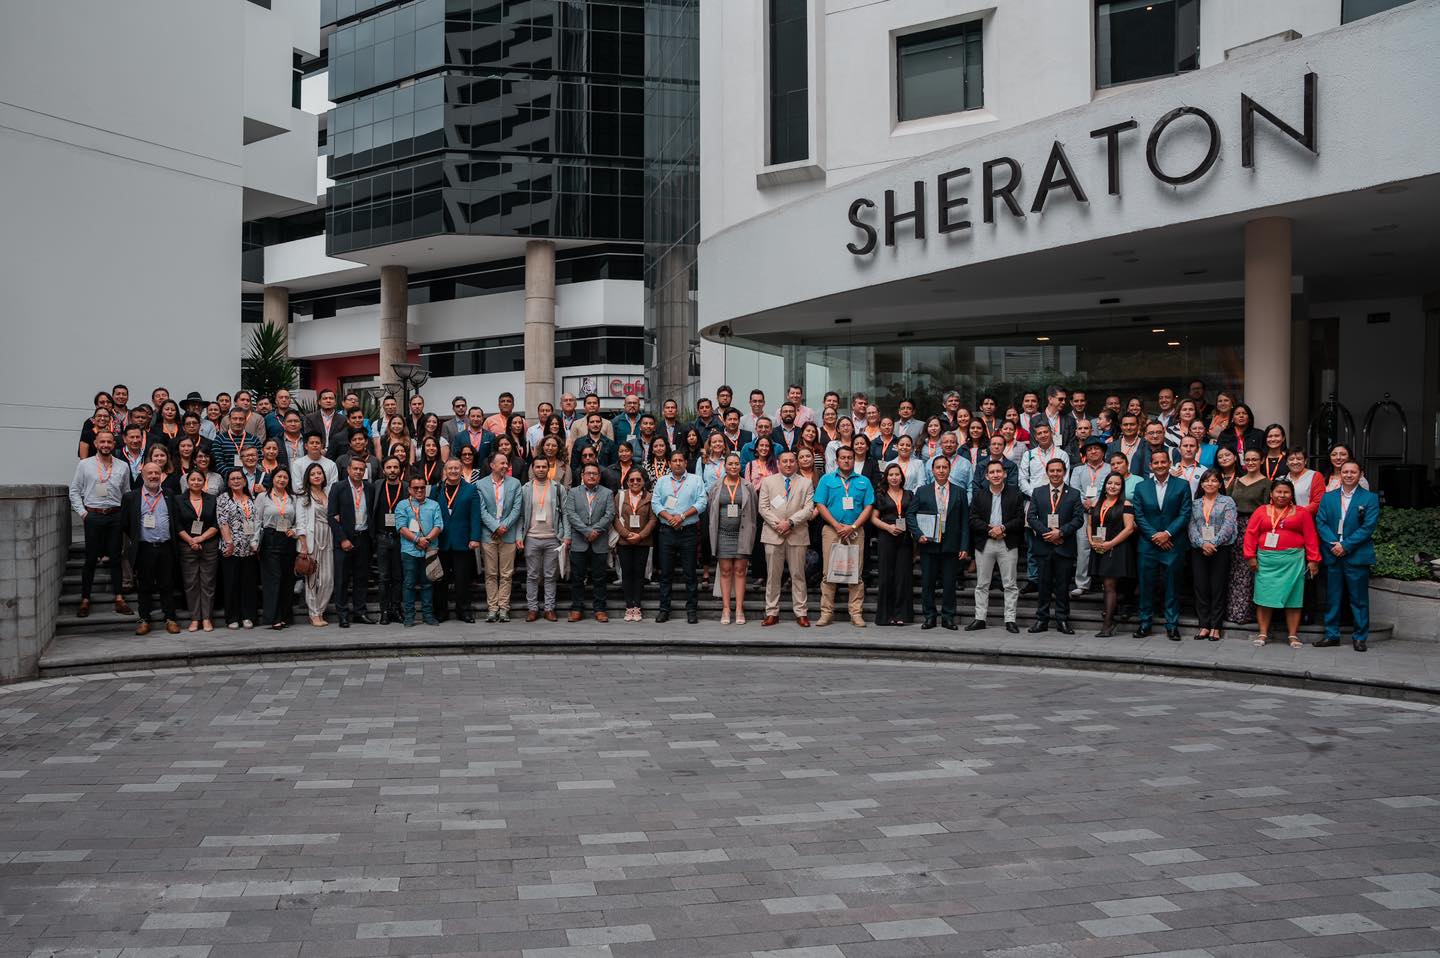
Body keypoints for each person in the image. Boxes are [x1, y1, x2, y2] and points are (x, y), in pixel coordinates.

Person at [1244, 478, 1320, 648]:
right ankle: (1263, 633)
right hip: (1266, 561)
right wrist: (1250, 556)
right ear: (1271, 494)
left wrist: (1313, 560)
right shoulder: (1261, 511)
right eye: (1278, 491)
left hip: (1293, 562)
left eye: (1286, 492)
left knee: (1294, 599)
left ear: (1291, 494)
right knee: (1264, 597)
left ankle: (1293, 635)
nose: (1282, 495)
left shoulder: (1302, 512)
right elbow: (1250, 534)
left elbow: (1311, 537)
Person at [1314, 461, 1380, 652]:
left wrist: (1346, 545)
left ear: (1361, 474)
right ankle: (1331, 635)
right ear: (1339, 474)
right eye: (1345, 472)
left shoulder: (1369, 498)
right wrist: (1334, 544)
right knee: (1332, 597)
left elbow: (1368, 527)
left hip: (1356, 555)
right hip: (1333, 553)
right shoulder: (1328, 497)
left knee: (1359, 599)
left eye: (1353, 472)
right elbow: (1321, 522)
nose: (1349, 475)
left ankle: (1360, 637)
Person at [70, 428, 135, 619]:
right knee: (90, 560)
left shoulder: (122, 466)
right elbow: (74, 491)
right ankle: (85, 600)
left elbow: (127, 493)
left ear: (114, 444)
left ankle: (119, 598)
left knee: (116, 559)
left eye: (109, 442)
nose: (106, 445)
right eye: (102, 442)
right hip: (93, 516)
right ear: (96, 444)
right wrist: (83, 514)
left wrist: (123, 516)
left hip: (115, 516)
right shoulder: (85, 465)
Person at [1130, 450, 1192, 640]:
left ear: (1169, 463)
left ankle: (1172, 625)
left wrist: (1166, 534)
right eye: (1155, 463)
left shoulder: (1182, 485)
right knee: (1146, 585)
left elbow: (1185, 513)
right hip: (1147, 546)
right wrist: (1154, 536)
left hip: (1173, 544)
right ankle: (1144, 623)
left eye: (1163, 462)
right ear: (1151, 466)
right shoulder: (1141, 487)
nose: (1159, 466)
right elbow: (1138, 515)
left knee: (1172, 587)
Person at [814, 445, 875, 628]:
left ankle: (856, 613)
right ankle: (826, 613)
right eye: (843, 458)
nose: (847, 460)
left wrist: (853, 526)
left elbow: (869, 507)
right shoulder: (826, 479)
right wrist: (836, 525)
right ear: (837, 460)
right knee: (828, 573)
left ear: (853, 459)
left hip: (855, 531)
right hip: (832, 531)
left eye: (850, 457)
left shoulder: (863, 481)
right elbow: (820, 505)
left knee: (855, 573)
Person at [120, 462, 181, 636]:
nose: (153, 476)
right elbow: (125, 524)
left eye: (157, 473)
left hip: (166, 548)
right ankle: (144, 619)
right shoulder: (131, 497)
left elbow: (175, 520)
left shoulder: (169, 494)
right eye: (150, 473)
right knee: (144, 586)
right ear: (143, 476)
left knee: (167, 585)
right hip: (144, 548)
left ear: (161, 475)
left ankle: (170, 618)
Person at [758, 450, 814, 627]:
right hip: (773, 535)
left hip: (797, 534)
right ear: (778, 463)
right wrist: (779, 524)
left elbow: (808, 508)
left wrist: (789, 522)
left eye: (791, 461)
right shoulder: (768, 481)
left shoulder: (806, 483)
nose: (788, 464)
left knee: (798, 575)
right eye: (785, 461)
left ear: (796, 463)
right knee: (773, 576)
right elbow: (763, 508)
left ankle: (801, 612)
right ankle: (772, 612)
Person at [1026, 459, 1083, 634]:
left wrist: (1061, 533)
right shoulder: (1038, 492)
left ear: (1064, 472)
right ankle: (1041, 620)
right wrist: (1048, 534)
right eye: (1052, 471)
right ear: (1047, 472)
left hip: (1064, 547)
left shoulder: (1073, 494)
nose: (1055, 474)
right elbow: (1031, 517)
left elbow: (1078, 519)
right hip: (1043, 547)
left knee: (1062, 586)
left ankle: (1062, 620)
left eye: (1059, 470)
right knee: (1043, 586)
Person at [967, 460, 1024, 633]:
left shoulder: (1015, 494)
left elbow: (1020, 520)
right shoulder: (979, 495)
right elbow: (973, 519)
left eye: (999, 471)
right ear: (986, 476)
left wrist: (1003, 528)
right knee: (982, 584)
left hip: (1007, 543)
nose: (996, 475)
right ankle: (980, 618)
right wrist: (989, 530)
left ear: (1005, 474)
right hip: (985, 543)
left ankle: (1010, 620)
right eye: (992, 472)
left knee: (1010, 584)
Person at [653, 450, 708, 624]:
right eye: (674, 460)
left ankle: (692, 610)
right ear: (669, 463)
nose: (677, 463)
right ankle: (664, 609)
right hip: (667, 531)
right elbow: (655, 503)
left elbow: (702, 502)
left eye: (680, 460)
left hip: (688, 532)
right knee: (666, 573)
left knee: (690, 573)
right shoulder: (662, 482)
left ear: (685, 463)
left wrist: (682, 516)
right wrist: (670, 518)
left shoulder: (696, 480)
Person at [429, 459, 481, 623]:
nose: (453, 471)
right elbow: (430, 514)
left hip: (463, 542)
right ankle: (441, 612)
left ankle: (464, 610)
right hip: (441, 542)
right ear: (445, 470)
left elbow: (475, 516)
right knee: (440, 581)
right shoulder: (436, 490)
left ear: (461, 470)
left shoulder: (471, 490)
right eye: (450, 468)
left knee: (462, 580)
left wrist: (474, 538)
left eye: (456, 468)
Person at [706, 453, 756, 624]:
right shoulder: (716, 486)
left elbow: (753, 512)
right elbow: (710, 511)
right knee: (726, 571)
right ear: (725, 466)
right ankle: (726, 609)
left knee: (741, 571)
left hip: (742, 534)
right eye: (730, 464)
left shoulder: (748, 486)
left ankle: (740, 609)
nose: (733, 467)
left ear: (740, 466)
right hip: (722, 534)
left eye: (736, 464)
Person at [1189, 469, 1238, 642]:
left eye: (1214, 480)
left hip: (1220, 549)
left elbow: (1229, 525)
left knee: (1217, 587)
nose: (1210, 484)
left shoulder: (1227, 501)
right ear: (1201, 484)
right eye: (1206, 481)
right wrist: (1203, 543)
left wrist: (1213, 543)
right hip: (1199, 549)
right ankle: (1203, 625)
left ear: (1219, 483)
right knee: (1201, 587)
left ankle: (1216, 627)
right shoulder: (1195, 503)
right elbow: (1192, 526)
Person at [327, 457, 376, 628]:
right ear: (348, 469)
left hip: (363, 538)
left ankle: (360, 612)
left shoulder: (369, 488)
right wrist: (343, 539)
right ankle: (342, 615)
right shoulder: (338, 487)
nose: (358, 472)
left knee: (361, 578)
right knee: (342, 579)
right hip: (344, 541)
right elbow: (332, 516)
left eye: (361, 469)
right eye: (355, 469)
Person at [518, 456, 568, 622]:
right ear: (532, 469)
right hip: (531, 537)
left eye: (543, 467)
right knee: (532, 575)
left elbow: (565, 514)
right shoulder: (525, 488)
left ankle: (549, 608)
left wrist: (566, 535)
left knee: (550, 575)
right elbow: (521, 515)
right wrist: (519, 536)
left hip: (552, 537)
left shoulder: (557, 488)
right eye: (537, 467)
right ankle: (532, 608)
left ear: (548, 468)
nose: (540, 469)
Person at [1086, 473, 1137, 637]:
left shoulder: (1126, 504)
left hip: (1117, 549)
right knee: (1106, 585)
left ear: (1122, 487)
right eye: (1110, 483)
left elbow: (1129, 528)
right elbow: (1089, 524)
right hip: (1099, 547)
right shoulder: (1096, 503)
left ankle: (1107, 624)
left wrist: (1110, 544)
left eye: (1117, 484)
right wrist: (1091, 541)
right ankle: (1110, 617)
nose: (1113, 486)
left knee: (1109, 586)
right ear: (1105, 485)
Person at [476, 450, 523, 623]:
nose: (505, 466)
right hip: (488, 535)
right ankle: (492, 608)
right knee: (490, 573)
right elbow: (481, 510)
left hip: (508, 534)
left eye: (506, 463)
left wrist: (504, 526)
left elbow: (517, 509)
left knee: (506, 574)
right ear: (492, 465)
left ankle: (504, 608)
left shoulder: (515, 484)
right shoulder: (480, 485)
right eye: (502, 463)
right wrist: (495, 527)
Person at [565, 463, 616, 622]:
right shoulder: (573, 492)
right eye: (588, 473)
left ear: (599, 476)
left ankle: (600, 609)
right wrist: (587, 531)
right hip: (579, 541)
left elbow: (610, 514)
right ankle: (576, 608)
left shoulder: (607, 493)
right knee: (577, 578)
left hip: (599, 541)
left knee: (600, 578)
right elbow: (571, 514)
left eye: (595, 473)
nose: (592, 476)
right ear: (582, 475)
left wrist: (596, 530)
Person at [1226, 448, 1272, 625]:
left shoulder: (1267, 483)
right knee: (1236, 570)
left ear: (1261, 461)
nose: (1251, 462)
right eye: (1248, 459)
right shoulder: (1237, 481)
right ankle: (1235, 611)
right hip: (1236, 528)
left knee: (1253, 569)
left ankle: (1250, 613)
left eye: (1255, 459)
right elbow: (1228, 503)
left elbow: (1269, 509)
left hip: (1257, 528)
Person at [172, 467, 220, 633]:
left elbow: (216, 524)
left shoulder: (212, 499)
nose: (196, 482)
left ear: (204, 481)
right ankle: (195, 618)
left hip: (209, 545)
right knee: (191, 583)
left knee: (208, 583)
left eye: (199, 479)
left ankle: (206, 618)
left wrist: (200, 538)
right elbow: (176, 524)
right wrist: (191, 540)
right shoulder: (178, 500)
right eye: (192, 479)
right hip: (187, 545)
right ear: (187, 481)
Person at [394, 474, 443, 627]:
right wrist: (417, 540)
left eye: (422, 487)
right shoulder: (402, 505)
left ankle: (428, 616)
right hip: (409, 551)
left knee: (427, 583)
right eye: (416, 488)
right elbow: (401, 528)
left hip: (429, 550)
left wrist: (426, 540)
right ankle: (409, 617)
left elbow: (439, 525)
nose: (420, 490)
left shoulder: (434, 505)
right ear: (409, 489)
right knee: (409, 584)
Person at [862, 463, 908, 627]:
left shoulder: (909, 494)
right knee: (886, 576)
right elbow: (873, 518)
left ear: (902, 477)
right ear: (886, 477)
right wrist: (888, 527)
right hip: (886, 537)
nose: (894, 477)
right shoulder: (880, 495)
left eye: (897, 474)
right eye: (891, 475)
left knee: (901, 577)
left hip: (904, 539)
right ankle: (885, 616)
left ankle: (900, 614)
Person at [252, 466, 298, 629]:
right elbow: (256, 520)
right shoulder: (263, 497)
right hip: (270, 539)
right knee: (273, 578)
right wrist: (254, 541)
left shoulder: (293, 498)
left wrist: (296, 530)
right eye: (279, 477)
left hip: (287, 539)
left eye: (285, 477)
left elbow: (298, 519)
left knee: (287, 579)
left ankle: (285, 615)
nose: (282, 480)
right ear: (273, 478)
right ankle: (273, 617)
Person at [216, 466, 260, 630]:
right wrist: (229, 543)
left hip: (250, 548)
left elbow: (256, 521)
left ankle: (248, 616)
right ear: (228, 482)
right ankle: (232, 617)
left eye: (239, 478)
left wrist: (256, 542)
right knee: (231, 584)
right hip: (231, 548)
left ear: (244, 481)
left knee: (248, 584)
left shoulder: (251, 498)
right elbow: (222, 522)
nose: (236, 481)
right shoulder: (223, 499)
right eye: (232, 478)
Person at [1069, 438, 1110, 598]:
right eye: (1090, 449)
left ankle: (1104, 582)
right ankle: (1082, 584)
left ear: (1103, 451)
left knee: (1103, 547)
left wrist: (1098, 503)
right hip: (1084, 515)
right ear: (1085, 453)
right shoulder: (1078, 470)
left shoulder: (1109, 468)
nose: (1093, 451)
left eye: (1096, 449)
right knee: (1084, 548)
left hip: (1104, 514)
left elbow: (1114, 487)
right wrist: (1084, 502)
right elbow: (1074, 489)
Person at [295, 462, 335, 628]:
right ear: (308, 478)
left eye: (319, 473)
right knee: (312, 577)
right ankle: (313, 613)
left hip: (329, 537)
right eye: (313, 474)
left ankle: (320, 609)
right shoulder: (304, 496)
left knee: (328, 578)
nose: (317, 476)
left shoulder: (329, 493)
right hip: (312, 539)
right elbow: (300, 522)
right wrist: (303, 545)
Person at [614, 469, 657, 622]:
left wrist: (640, 535)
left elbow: (653, 519)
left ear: (644, 481)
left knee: (639, 575)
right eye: (632, 480)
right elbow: (615, 518)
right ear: (627, 482)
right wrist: (626, 534)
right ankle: (628, 607)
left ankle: (637, 606)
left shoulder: (650, 497)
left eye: (638, 479)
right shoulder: (620, 497)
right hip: (624, 542)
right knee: (627, 574)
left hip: (643, 542)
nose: (635, 482)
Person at [371, 456, 407, 625]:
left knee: (398, 577)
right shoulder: (377, 486)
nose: (392, 470)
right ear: (383, 469)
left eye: (395, 467)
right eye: (389, 467)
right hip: (382, 537)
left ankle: (396, 609)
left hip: (402, 538)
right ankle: (384, 611)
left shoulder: (406, 487)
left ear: (400, 469)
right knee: (384, 577)